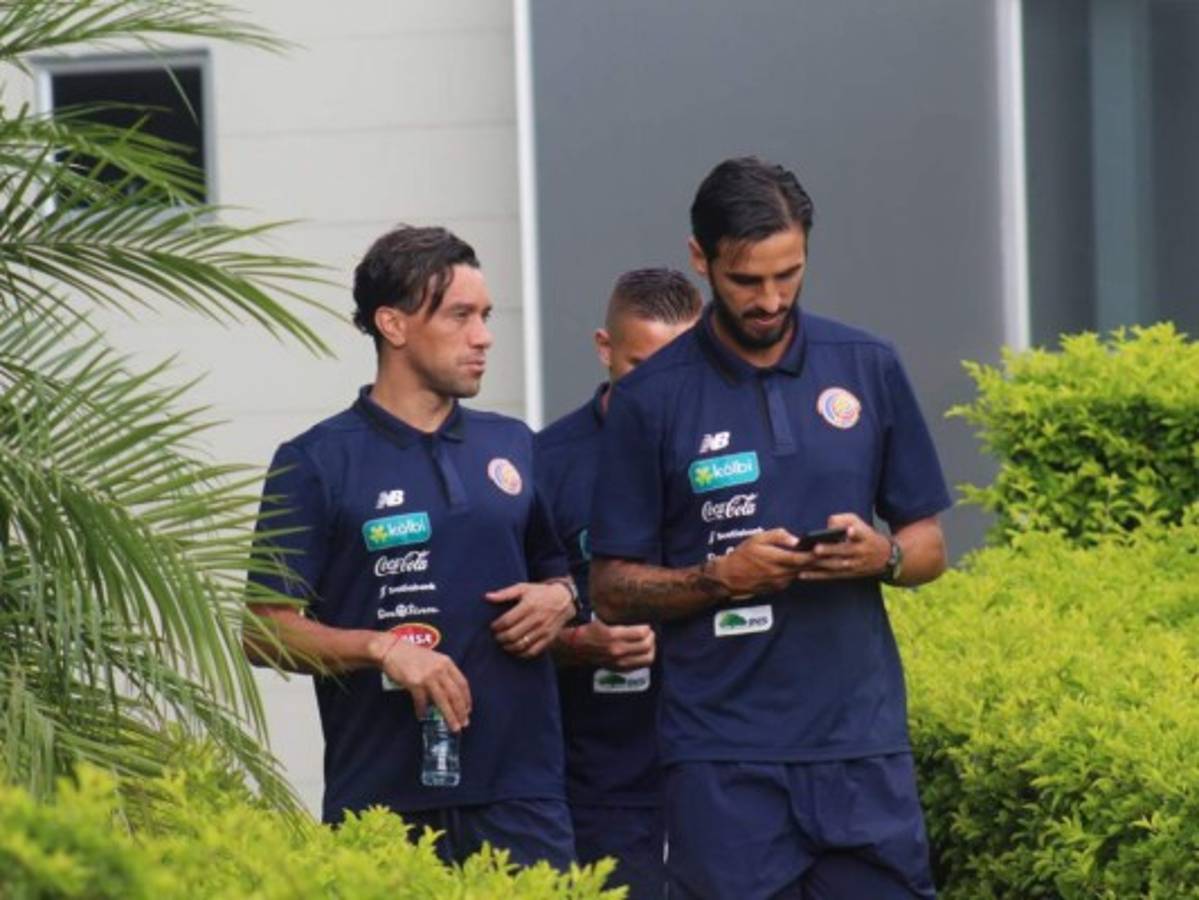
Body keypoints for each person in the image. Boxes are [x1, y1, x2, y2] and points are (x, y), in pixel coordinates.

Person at [588, 157, 951, 900]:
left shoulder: (867, 365)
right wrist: (720, 578)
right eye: (746, 280)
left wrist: (878, 556)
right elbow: (612, 588)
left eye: (788, 274)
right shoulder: (649, 399)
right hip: (722, 762)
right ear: (701, 259)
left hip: (861, 747)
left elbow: (928, 547)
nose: (769, 299)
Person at [245, 225, 578, 868]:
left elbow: (563, 574)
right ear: (392, 326)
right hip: (381, 806)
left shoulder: (511, 444)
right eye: (460, 316)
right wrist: (383, 649)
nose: (483, 335)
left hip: (524, 799)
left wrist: (561, 597)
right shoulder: (314, 463)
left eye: (483, 316)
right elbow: (262, 631)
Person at [535, 268, 702, 899]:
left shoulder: (734, 448)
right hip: (599, 784)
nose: (658, 393)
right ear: (605, 348)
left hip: (722, 772)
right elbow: (504, 628)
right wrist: (583, 640)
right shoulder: (543, 464)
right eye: (640, 367)